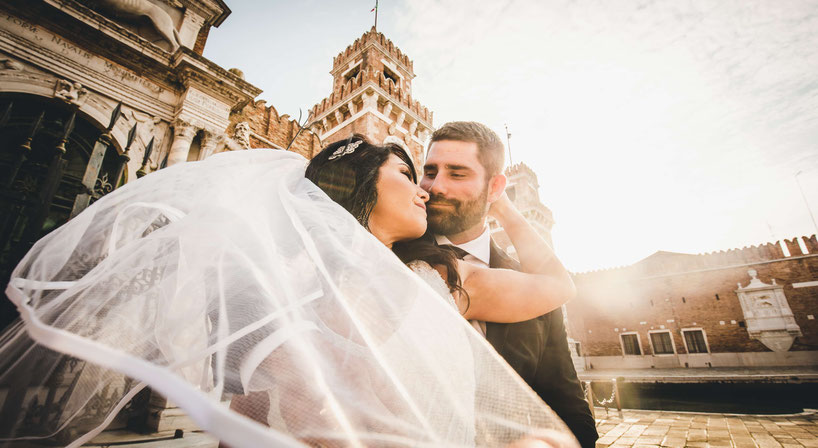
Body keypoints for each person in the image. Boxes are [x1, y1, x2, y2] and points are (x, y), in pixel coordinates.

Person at [1, 139, 577, 447]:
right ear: (358, 191)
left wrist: (503, 202)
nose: (426, 191)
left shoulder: (450, 278)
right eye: (408, 175)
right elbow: (253, 426)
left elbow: (557, 287)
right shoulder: (286, 299)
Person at [420, 122, 599, 448]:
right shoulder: (391, 255)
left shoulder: (533, 284)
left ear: (495, 187)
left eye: (457, 174)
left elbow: (566, 399)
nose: (435, 187)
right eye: (430, 172)